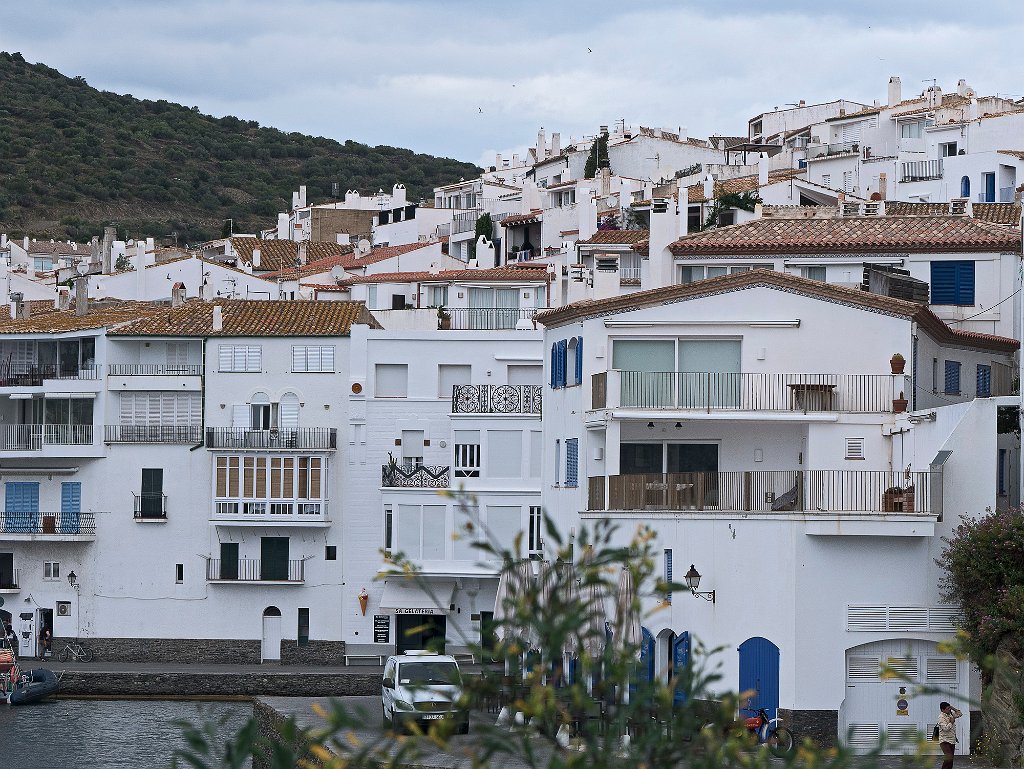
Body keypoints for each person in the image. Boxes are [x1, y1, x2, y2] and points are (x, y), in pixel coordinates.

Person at [937, 701, 962, 769]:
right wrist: (951, 722)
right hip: (944, 741)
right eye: (947, 709)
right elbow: (945, 728)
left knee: (951, 760)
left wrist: (953, 708)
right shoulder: (941, 717)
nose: (949, 710)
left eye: (949, 708)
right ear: (942, 710)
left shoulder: (950, 714)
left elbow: (960, 714)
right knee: (948, 757)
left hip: (952, 740)